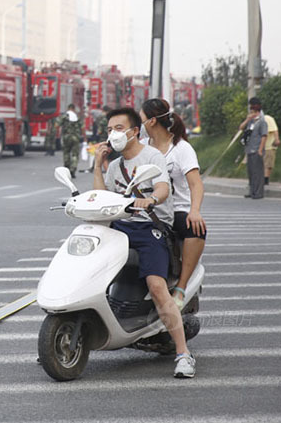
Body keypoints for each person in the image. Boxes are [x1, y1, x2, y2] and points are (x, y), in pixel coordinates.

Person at [93, 107, 195, 378]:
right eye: (109, 129)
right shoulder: (114, 166)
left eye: (117, 128)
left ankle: (183, 354)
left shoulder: (153, 156)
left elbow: (163, 187)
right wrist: (97, 165)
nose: (112, 134)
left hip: (150, 228)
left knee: (156, 285)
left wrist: (151, 199)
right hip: (120, 228)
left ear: (134, 131)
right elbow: (101, 198)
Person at [141, 98, 206, 311]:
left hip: (176, 209)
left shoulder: (181, 149)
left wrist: (194, 211)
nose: (139, 124)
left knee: (194, 228)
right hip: (146, 208)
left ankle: (181, 287)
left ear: (151, 121)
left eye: (141, 119)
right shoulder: (141, 147)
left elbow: (196, 184)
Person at [238, 97, 268, 199]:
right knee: (251, 172)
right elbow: (241, 127)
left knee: (257, 172)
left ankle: (258, 192)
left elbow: (264, 136)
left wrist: (260, 149)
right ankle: (252, 191)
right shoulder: (251, 122)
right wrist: (247, 119)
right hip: (249, 149)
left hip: (257, 149)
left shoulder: (262, 121)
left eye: (253, 111)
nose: (252, 112)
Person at [60, 103, 84, 178]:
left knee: (66, 152)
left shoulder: (64, 116)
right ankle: (73, 170)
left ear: (68, 108)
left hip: (66, 137)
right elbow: (83, 128)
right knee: (75, 154)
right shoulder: (77, 117)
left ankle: (67, 168)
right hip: (76, 137)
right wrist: (85, 138)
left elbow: (56, 125)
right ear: (73, 109)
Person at [263, 111, 280, 185]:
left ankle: (265, 179)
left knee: (268, 163)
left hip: (269, 145)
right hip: (260, 146)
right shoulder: (254, 120)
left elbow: (275, 129)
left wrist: (277, 139)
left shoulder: (267, 118)